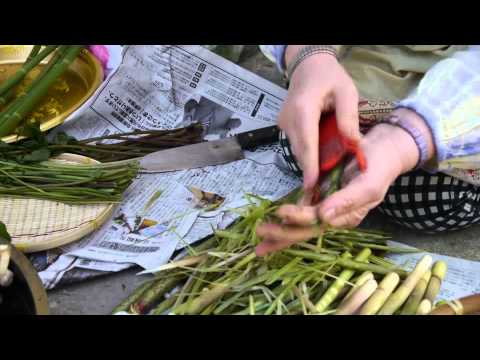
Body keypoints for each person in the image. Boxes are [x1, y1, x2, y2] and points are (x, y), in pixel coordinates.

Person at [255, 45, 480, 257]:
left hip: (463, 88)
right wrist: (309, 57)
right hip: (380, 57)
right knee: (303, 140)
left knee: (433, 201)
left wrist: (398, 144)